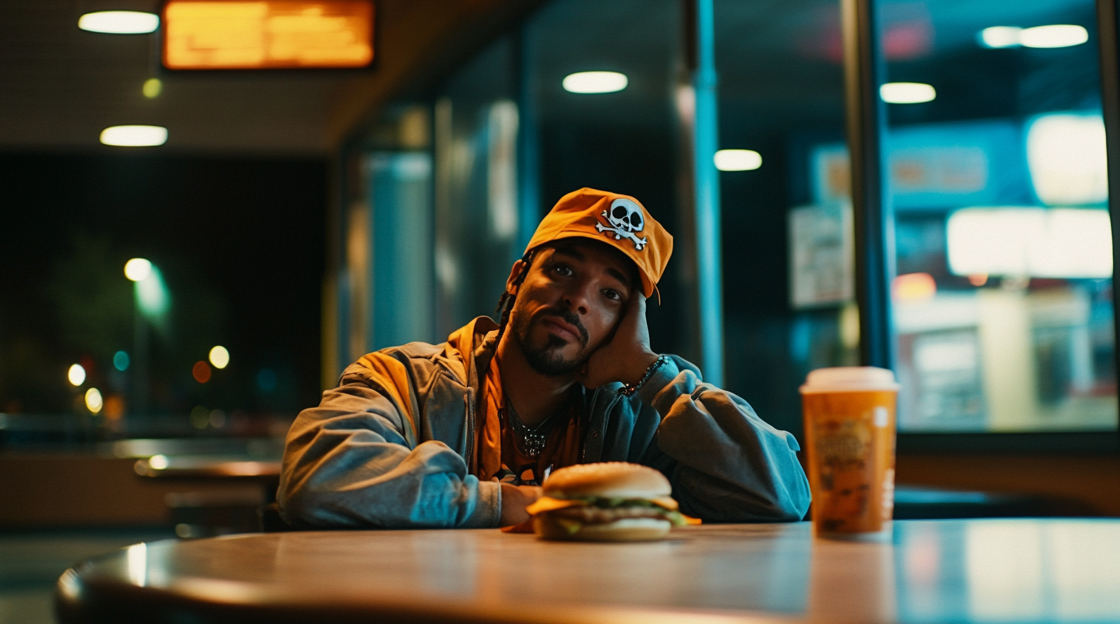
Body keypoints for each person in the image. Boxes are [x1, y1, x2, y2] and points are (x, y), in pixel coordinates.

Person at [278, 188, 810, 529]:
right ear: (517, 279)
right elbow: (315, 477)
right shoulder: (403, 380)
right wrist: (514, 503)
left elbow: (782, 495)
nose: (579, 298)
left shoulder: (640, 416)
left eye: (611, 295)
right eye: (563, 270)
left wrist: (653, 375)